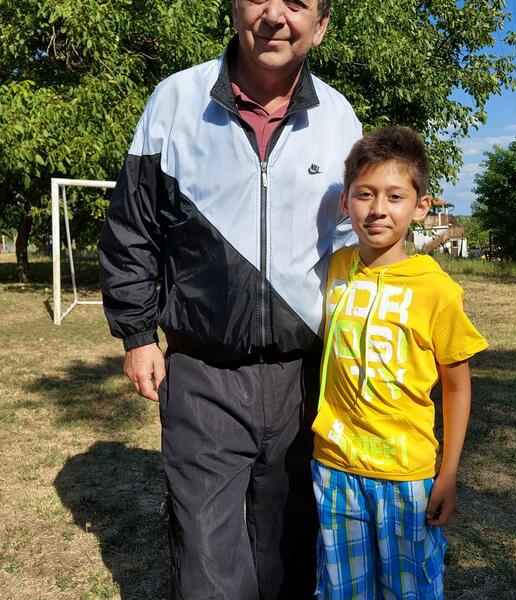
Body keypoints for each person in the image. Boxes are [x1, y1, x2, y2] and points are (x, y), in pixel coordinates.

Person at [98, 1, 361, 598]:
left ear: (320, 27)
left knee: (291, 551)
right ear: (234, 8)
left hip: (305, 376)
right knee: (208, 562)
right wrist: (137, 335)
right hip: (201, 373)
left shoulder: (340, 118)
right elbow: (133, 228)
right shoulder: (176, 101)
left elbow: (355, 243)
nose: (275, 15)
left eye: (298, 4)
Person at [311, 126, 488, 599]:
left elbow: (457, 387)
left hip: (406, 478)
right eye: (365, 194)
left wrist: (448, 473)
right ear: (346, 200)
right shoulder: (335, 267)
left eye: (394, 196)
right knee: (343, 590)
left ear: (420, 206)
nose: (378, 209)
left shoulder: (437, 290)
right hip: (334, 467)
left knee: (408, 591)